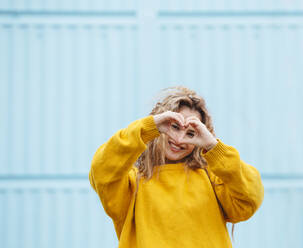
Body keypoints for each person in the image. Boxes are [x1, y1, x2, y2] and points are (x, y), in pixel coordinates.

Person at [89, 86, 264, 248]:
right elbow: (102, 170)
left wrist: (213, 147)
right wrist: (147, 128)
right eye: (174, 127)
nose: (179, 139)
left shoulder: (213, 178)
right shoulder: (131, 183)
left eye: (191, 133)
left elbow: (250, 197)